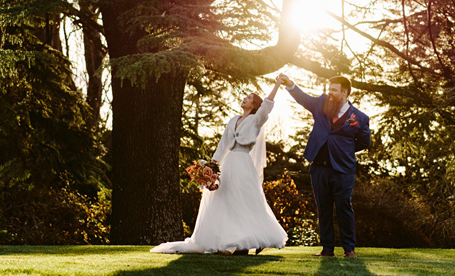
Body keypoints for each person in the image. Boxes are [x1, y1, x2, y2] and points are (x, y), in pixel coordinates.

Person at [151, 77, 288, 255]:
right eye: (245, 96)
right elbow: (223, 144)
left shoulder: (256, 120)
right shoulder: (233, 120)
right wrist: (212, 166)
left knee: (243, 200)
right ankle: (226, 241)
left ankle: (248, 242)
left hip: (243, 163)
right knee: (225, 199)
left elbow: (267, 105)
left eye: (249, 97)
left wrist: (277, 85)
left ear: (254, 105)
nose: (244, 98)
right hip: (228, 163)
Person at [277, 73, 370, 258]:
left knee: (343, 206)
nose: (330, 93)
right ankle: (327, 249)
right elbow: (303, 99)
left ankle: (349, 249)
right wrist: (290, 84)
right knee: (323, 208)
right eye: (329, 89)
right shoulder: (320, 104)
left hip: (343, 170)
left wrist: (343, 149)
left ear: (345, 92)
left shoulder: (360, 117)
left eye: (334, 90)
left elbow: (364, 143)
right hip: (319, 168)